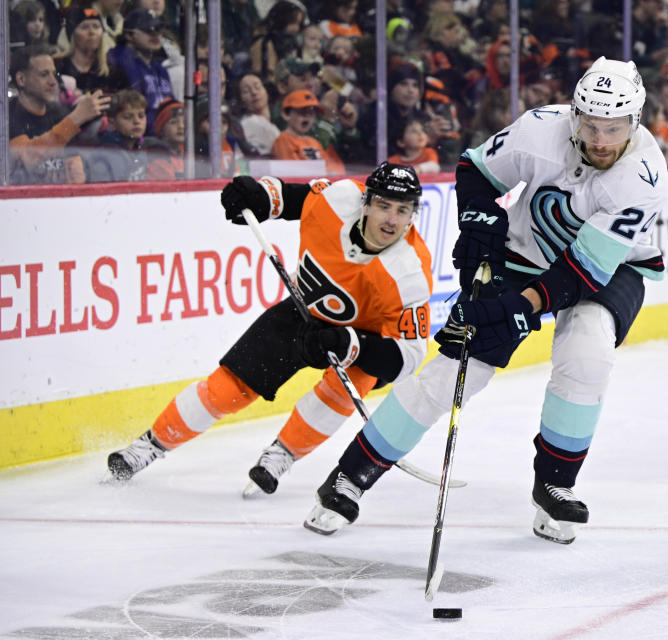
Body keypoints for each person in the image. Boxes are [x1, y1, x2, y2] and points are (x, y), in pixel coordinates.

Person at [301, 57, 668, 545]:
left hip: (609, 268)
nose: (601, 140)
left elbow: (581, 272)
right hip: (522, 253)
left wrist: (516, 307)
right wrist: (479, 224)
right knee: (453, 368)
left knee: (587, 353)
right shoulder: (540, 129)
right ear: (575, 115)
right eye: (591, 125)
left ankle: (554, 485)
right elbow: (475, 169)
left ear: (635, 122)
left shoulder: (643, 177)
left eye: (614, 128)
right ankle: (349, 477)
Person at [106, 163, 434, 494]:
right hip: (303, 312)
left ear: (411, 215)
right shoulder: (338, 200)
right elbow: (295, 198)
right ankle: (151, 444)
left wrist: (349, 343)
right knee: (228, 388)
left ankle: (282, 454)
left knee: (341, 389)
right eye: (383, 206)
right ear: (365, 203)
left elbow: (407, 356)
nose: (391, 219)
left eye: (402, 210)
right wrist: (260, 196)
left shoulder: (409, 274)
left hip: (364, 342)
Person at [9, 44, 112, 184]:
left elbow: (76, 174)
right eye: (44, 74)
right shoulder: (7, 114)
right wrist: (76, 118)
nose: (53, 82)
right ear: (21, 79)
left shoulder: (59, 113)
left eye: (54, 74)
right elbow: (28, 157)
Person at [271, 89, 346, 175]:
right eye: (302, 112)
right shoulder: (283, 139)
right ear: (286, 115)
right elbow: (291, 173)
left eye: (311, 113)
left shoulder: (314, 142)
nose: (307, 116)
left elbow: (333, 168)